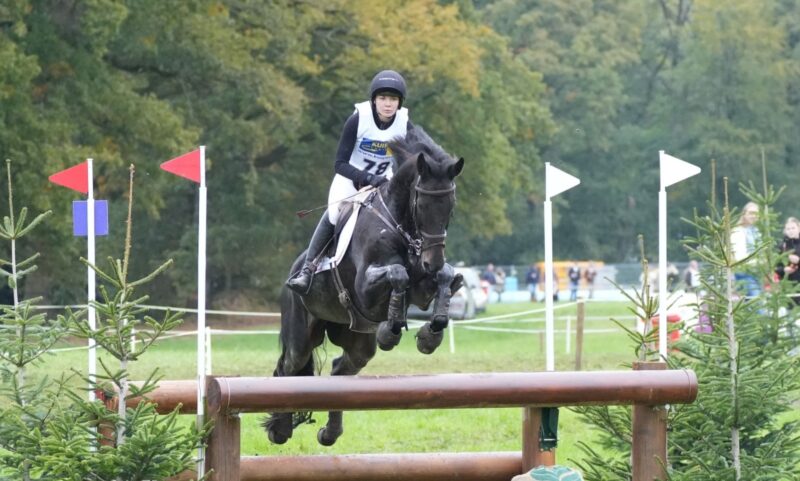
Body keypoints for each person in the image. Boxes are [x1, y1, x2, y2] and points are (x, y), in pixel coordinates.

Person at [287, 70, 412, 294]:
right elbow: (339, 163)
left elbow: (411, 158)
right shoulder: (358, 119)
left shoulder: (404, 124)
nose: (387, 104)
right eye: (383, 98)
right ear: (374, 100)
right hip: (350, 179)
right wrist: (367, 179)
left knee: (404, 214)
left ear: (399, 102)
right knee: (335, 214)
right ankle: (307, 269)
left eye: (393, 99)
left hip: (385, 181)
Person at [730, 201, 761, 297]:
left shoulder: (756, 231)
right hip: (744, 272)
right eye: (751, 213)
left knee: (750, 306)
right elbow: (738, 256)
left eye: (756, 213)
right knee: (758, 306)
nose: (754, 216)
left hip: (757, 272)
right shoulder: (737, 231)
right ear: (744, 214)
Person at [776, 217, 800, 307]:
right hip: (788, 286)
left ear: (799, 228)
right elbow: (775, 267)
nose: (791, 231)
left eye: (793, 228)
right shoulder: (782, 246)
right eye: (788, 229)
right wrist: (784, 270)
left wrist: (798, 261)